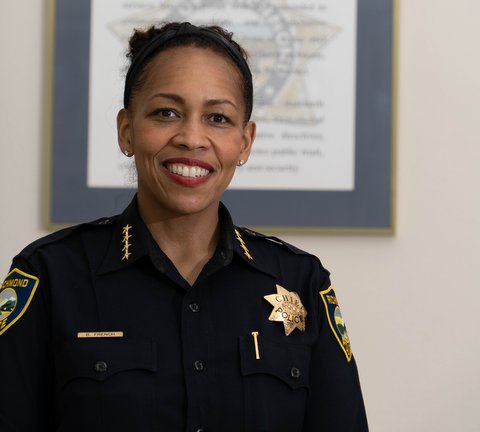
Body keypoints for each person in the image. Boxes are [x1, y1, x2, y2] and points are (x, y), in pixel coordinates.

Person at [0, 22, 368, 431]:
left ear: (244, 142)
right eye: (166, 113)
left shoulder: (302, 282)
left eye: (218, 118)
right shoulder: (50, 277)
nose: (192, 138)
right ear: (126, 130)